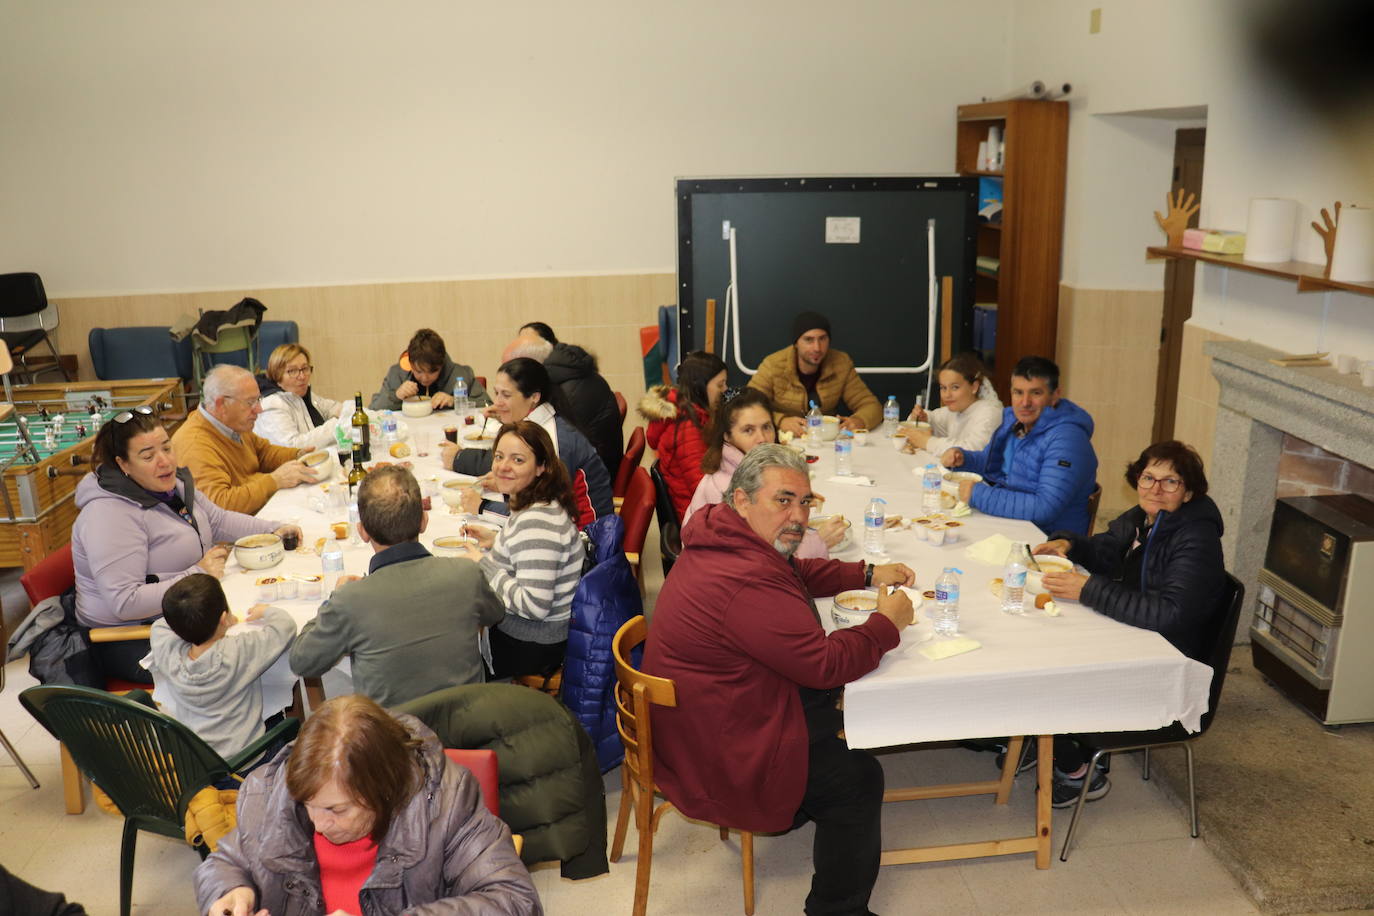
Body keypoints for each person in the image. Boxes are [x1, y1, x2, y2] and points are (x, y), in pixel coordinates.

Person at [645, 444, 916, 916]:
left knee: (839, 714)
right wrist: (886, 624)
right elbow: (825, 665)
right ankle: (837, 910)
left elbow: (794, 573)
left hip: (709, 710)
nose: (798, 516)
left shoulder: (726, 536)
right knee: (857, 778)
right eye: (783, 500)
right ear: (743, 500)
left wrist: (864, 573)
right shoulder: (742, 578)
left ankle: (802, 810)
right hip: (721, 746)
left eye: (806, 502)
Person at [194, 694, 541, 916]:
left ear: (384, 790)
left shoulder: (448, 801)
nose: (316, 823)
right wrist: (230, 890)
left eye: (336, 810)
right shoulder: (270, 794)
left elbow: (515, 901)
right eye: (307, 804)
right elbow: (226, 859)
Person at [1029, 440, 1226, 806]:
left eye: (1171, 482)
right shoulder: (1143, 518)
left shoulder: (1195, 538)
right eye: (1149, 477)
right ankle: (1039, 739)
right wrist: (1070, 546)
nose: (1155, 488)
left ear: (1189, 493)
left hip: (1166, 660)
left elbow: (1170, 614)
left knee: (1045, 668)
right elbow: (1106, 551)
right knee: (1035, 641)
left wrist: (1089, 591)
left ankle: (1075, 766)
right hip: (1138, 636)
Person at [72, 407, 299, 683]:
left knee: (265, 638)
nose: (164, 461)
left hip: (186, 612)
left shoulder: (172, 486)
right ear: (123, 465)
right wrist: (197, 575)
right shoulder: (108, 516)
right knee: (248, 660)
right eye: (148, 456)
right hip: (130, 637)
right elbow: (125, 602)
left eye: (167, 448)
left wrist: (273, 528)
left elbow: (218, 521)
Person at [289, 466, 504, 707]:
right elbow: (496, 613)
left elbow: (301, 661)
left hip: (395, 739)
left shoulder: (350, 600)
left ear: (362, 532)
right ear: (424, 521)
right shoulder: (466, 574)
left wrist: (332, 600)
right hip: (470, 729)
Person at [459, 421, 584, 680]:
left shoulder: (537, 522)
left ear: (541, 467)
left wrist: (484, 564)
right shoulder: (538, 502)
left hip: (530, 644)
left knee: (449, 648)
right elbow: (531, 553)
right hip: (535, 635)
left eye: (518, 460)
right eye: (499, 457)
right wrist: (497, 540)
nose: (503, 467)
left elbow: (535, 606)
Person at [441, 357, 613, 528]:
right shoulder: (537, 425)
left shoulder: (551, 439)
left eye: (506, 395)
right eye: (496, 393)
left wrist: (482, 506)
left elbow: (544, 520)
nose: (497, 402)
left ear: (534, 397)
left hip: (585, 539)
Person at [144, 574, 296, 760]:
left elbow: (160, 626)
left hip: (203, 763)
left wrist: (190, 622)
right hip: (248, 759)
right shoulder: (239, 650)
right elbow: (285, 627)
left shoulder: (169, 653)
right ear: (224, 618)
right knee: (282, 721)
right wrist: (266, 611)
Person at [942, 355, 1098, 535]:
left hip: (1048, 541)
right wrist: (964, 458)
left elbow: (1044, 508)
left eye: (1036, 393)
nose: (1025, 403)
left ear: (1055, 396)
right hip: (1013, 524)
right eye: (1018, 392)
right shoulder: (1014, 422)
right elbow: (991, 464)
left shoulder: (1068, 440)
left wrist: (979, 495)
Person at [684, 388, 844, 558]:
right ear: (727, 437)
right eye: (748, 430)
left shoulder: (753, 471)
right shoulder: (724, 490)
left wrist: (792, 501)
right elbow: (757, 561)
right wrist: (818, 542)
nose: (762, 438)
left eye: (767, 427)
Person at [171, 364, 317, 514]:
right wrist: (274, 481)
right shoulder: (194, 445)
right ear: (221, 404)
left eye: (258, 400)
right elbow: (219, 505)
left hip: (258, 513)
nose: (259, 409)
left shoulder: (234, 424)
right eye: (250, 402)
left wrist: (299, 455)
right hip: (232, 533)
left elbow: (263, 453)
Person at [503, 321, 625, 480]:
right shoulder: (568, 374)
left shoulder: (565, 392)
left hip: (588, 480)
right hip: (591, 469)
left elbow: (537, 451)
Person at [747, 310, 882, 436]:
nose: (817, 348)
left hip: (825, 440)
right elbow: (748, 405)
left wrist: (859, 421)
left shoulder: (841, 363)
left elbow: (871, 406)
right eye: (809, 340)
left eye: (822, 339)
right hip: (784, 440)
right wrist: (780, 421)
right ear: (796, 343)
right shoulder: (773, 364)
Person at [637, 350, 727, 519]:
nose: (725, 390)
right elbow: (702, 487)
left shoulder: (694, 416)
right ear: (700, 385)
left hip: (699, 510)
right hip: (698, 518)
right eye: (720, 385)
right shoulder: (689, 428)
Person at [901, 352, 1003, 454]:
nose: (947, 395)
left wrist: (927, 442)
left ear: (974, 387)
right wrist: (922, 418)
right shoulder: (956, 409)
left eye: (955, 387)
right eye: (943, 388)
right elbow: (934, 418)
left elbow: (973, 450)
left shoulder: (990, 413)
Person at [253, 343, 349, 450]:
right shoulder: (271, 406)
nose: (302, 376)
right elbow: (294, 447)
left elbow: (334, 408)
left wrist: (345, 413)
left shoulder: (301, 393)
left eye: (305, 368)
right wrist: (336, 425)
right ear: (277, 375)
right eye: (292, 371)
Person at [370, 327, 489, 411]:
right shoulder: (397, 374)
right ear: (410, 364)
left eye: (433, 372)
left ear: (442, 365)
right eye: (419, 371)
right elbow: (373, 408)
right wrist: (396, 396)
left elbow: (488, 405)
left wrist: (455, 401)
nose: (425, 378)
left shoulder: (461, 374)